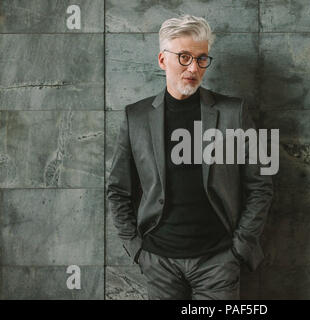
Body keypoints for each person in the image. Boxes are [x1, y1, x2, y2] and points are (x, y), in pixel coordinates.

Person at [106, 14, 274, 300]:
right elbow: (118, 190)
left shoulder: (234, 113)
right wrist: (136, 249)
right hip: (158, 263)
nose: (193, 68)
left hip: (218, 262)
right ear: (162, 60)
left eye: (201, 59)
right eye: (184, 57)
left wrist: (239, 248)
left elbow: (260, 185)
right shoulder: (136, 117)